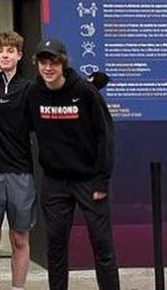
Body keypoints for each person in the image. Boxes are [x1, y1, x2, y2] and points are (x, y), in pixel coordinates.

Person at [27, 39, 119, 290]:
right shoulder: (34, 94)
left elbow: (105, 136)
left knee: (102, 245)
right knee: (55, 247)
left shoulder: (84, 92)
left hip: (89, 180)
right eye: (43, 62)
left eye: (53, 62)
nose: (48, 68)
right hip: (54, 181)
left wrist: (102, 180)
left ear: (63, 62)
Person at [0, 31, 35, 290]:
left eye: (10, 50)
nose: (5, 54)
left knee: (20, 238)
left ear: (19, 55)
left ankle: (18, 288)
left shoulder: (29, 88)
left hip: (21, 173)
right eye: (0, 50)